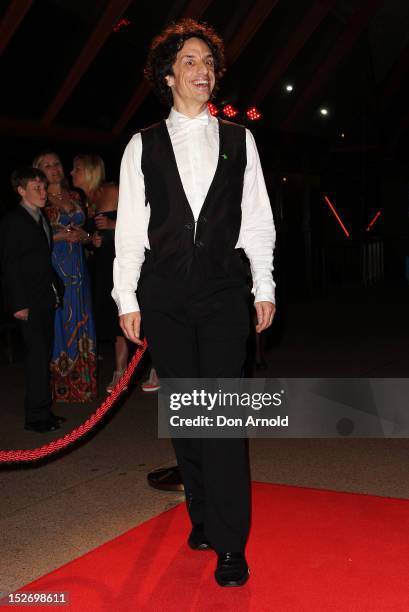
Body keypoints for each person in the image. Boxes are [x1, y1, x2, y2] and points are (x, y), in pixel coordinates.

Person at [112, 19, 276, 587]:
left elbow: (257, 221)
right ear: (168, 74)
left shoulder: (239, 140)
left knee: (223, 416)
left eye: (209, 62)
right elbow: (130, 231)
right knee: (187, 411)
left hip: (225, 291)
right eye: (190, 61)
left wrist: (265, 285)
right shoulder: (143, 144)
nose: (203, 70)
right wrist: (125, 297)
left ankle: (231, 542)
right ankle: (201, 513)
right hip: (165, 294)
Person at [0, 167, 65, 432]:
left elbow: (42, 259)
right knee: (37, 356)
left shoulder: (40, 218)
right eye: (35, 187)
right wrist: (18, 304)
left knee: (43, 355)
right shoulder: (13, 221)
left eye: (43, 186)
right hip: (28, 301)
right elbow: (9, 264)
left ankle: (43, 410)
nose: (42, 192)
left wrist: (55, 291)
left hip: (44, 299)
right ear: (21, 190)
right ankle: (35, 417)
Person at [33, 152, 97, 402]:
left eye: (57, 163)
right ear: (38, 171)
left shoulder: (76, 196)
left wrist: (86, 237)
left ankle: (83, 386)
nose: (54, 169)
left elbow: (90, 232)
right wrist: (60, 236)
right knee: (59, 322)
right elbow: (33, 239)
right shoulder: (39, 198)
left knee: (82, 316)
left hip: (79, 268)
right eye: (46, 166)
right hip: (55, 267)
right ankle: (60, 389)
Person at [71, 155, 128, 393]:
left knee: (128, 313)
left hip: (124, 262)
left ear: (91, 171)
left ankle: (143, 368)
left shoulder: (113, 190)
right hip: (104, 264)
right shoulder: (88, 200)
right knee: (114, 320)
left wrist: (115, 226)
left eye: (77, 169)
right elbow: (91, 236)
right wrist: (89, 240)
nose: (71, 173)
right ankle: (120, 372)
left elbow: (143, 219)